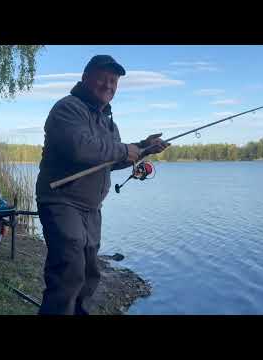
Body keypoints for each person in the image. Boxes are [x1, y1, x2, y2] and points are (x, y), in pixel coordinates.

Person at [35, 55, 169, 315]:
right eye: (103, 78)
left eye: (114, 81)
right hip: (61, 200)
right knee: (69, 269)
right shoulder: (68, 108)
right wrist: (124, 149)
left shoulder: (109, 123)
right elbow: (80, 148)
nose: (108, 85)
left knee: (89, 271)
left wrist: (143, 149)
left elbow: (108, 161)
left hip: (91, 207)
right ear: (86, 78)